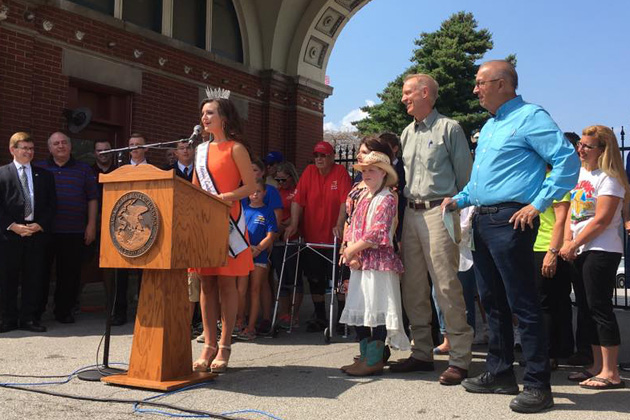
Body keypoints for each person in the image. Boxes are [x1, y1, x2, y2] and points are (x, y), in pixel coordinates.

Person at [443, 60, 580, 413]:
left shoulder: (531, 117)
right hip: (483, 222)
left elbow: (566, 161)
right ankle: (500, 372)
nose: (475, 89)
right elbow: (481, 182)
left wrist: (538, 204)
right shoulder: (489, 127)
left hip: (512, 221)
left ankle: (537, 384)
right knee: (493, 303)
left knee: (523, 304)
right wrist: (459, 199)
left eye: (480, 83)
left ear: (502, 83)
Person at [390, 73, 474, 387]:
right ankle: (421, 352)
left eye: (408, 92)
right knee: (412, 286)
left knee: (446, 286)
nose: (403, 98)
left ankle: (459, 359)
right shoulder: (406, 132)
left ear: (425, 93)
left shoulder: (449, 129)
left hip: (440, 212)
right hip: (411, 214)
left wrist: (458, 216)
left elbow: (466, 179)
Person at [191, 88, 255, 374]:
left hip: (229, 219)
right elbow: (193, 188)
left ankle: (226, 344)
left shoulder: (236, 149)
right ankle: (208, 342)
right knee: (206, 282)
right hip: (204, 220)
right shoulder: (200, 151)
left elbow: (250, 187)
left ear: (224, 118)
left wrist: (224, 198)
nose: (204, 117)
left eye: (210, 113)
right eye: (203, 113)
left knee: (227, 283)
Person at [560, 126, 629, 390]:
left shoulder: (610, 178)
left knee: (600, 308)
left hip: (601, 250)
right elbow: (571, 213)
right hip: (580, 249)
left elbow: (601, 220)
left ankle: (611, 372)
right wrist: (568, 241)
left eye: (587, 146)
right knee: (587, 309)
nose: (581, 149)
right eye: (581, 145)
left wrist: (575, 242)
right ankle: (596, 366)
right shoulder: (580, 175)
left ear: (603, 150)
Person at [338, 151, 409, 376]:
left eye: (372, 170)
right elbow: (354, 226)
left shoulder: (387, 197)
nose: (367, 174)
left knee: (376, 309)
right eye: (364, 170)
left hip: (378, 262)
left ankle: (375, 359)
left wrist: (352, 249)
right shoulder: (364, 196)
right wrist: (351, 251)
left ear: (384, 173)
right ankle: (366, 357)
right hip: (361, 260)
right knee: (361, 308)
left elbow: (377, 232)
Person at [284, 141, 352, 332]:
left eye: (323, 156)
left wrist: (339, 225)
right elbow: (298, 200)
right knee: (315, 279)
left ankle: (341, 318)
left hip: (335, 239)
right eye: (316, 156)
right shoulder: (309, 172)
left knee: (339, 280)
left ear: (331, 157)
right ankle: (320, 316)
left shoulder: (340, 172)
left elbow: (344, 202)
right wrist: (294, 224)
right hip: (312, 236)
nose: (319, 159)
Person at [36, 132, 98, 324]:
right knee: (40, 273)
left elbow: (92, 198)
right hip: (44, 230)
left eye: (64, 143)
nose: (60, 146)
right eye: (56, 143)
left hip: (73, 230)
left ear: (70, 147)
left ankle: (63, 311)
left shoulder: (84, 169)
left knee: (69, 274)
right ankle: (37, 312)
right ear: (49, 148)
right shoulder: (38, 167)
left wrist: (91, 225)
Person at [0, 132, 56, 333]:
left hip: (35, 233)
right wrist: (12, 226)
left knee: (34, 278)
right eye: (24, 148)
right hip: (9, 235)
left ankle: (29, 319)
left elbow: (52, 206)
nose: (29, 152)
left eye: (31, 148)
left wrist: (40, 224)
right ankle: (7, 319)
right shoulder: (2, 174)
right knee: (7, 279)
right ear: (12, 149)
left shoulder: (45, 175)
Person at [236, 179, 278, 340]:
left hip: (258, 256)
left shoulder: (267, 212)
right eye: (252, 191)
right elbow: (236, 231)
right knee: (241, 290)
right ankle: (240, 320)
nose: (255, 194)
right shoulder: (242, 209)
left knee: (255, 290)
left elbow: (271, 235)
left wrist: (258, 249)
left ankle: (251, 326)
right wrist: (246, 248)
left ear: (264, 193)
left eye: (258, 191)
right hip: (242, 253)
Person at [271, 161, 302, 329]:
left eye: (283, 180)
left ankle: (294, 314)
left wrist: (284, 225)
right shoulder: (276, 192)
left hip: (293, 238)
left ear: (291, 177)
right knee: (280, 277)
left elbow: (298, 213)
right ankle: (283, 313)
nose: (280, 183)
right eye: (278, 180)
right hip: (278, 238)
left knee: (294, 278)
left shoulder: (297, 191)